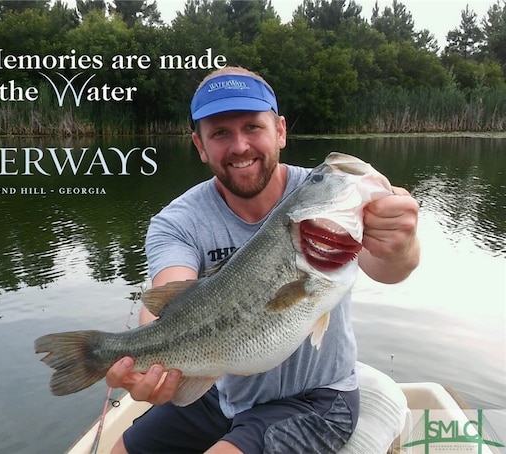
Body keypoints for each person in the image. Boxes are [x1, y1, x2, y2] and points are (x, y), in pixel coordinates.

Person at [106, 66, 420, 453]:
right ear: (200, 145)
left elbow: (388, 267)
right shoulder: (178, 221)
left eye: (253, 127)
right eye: (220, 133)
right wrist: (147, 359)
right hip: (222, 391)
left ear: (280, 131)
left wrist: (400, 244)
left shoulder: (322, 197)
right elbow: (165, 299)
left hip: (317, 399)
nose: (239, 146)